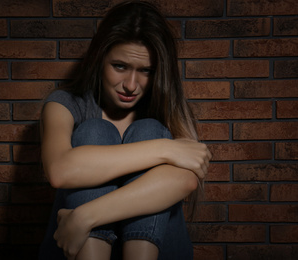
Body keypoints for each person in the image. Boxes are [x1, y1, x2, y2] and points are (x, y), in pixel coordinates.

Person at [38, 1, 211, 259]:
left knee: (149, 128)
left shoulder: (165, 111)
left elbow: (185, 180)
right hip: (78, 249)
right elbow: (60, 170)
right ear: (99, 58)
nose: (131, 85)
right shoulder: (65, 104)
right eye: (119, 66)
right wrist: (166, 150)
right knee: (95, 131)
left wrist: (84, 217)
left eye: (145, 71)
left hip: (154, 249)